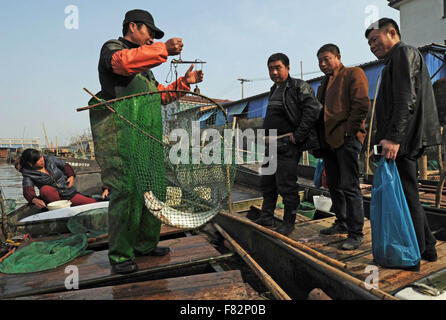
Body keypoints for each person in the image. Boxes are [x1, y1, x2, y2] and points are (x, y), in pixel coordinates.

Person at [89, 9, 204, 274]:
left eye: (155, 36)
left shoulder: (147, 71)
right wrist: (163, 48)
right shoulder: (113, 49)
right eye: (149, 32)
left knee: (154, 188)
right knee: (127, 191)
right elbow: (122, 64)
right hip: (123, 135)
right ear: (133, 26)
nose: (151, 37)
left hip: (149, 136)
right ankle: (120, 255)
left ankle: (145, 244)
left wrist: (185, 83)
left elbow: (160, 96)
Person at [365, 18, 441, 262]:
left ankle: (414, 253)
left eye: (375, 40)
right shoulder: (395, 60)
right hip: (403, 140)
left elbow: (405, 98)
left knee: (408, 197)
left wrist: (394, 138)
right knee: (409, 194)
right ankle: (427, 247)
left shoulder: (403, 53)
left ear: (392, 33)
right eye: (369, 43)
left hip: (403, 142)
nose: (372, 46)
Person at [254, 53, 322, 236]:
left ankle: (288, 222)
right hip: (271, 145)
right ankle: (266, 216)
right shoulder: (273, 89)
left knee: (286, 185)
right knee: (267, 183)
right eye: (271, 69)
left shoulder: (299, 87)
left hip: (286, 145)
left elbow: (313, 110)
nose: (274, 72)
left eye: (278, 68)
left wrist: (298, 136)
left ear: (288, 68)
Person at [315, 44, 370, 250]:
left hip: (347, 139)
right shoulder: (324, 83)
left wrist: (350, 131)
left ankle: (355, 232)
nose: (323, 64)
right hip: (329, 142)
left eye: (327, 59)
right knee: (334, 184)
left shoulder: (352, 73)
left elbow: (362, 104)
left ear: (338, 57)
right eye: (320, 61)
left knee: (350, 185)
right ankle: (341, 222)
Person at [18, 149, 97, 209]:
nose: (42, 160)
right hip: (53, 200)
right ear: (30, 164)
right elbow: (27, 190)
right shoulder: (28, 174)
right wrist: (34, 200)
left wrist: (71, 176)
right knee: (45, 189)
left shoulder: (49, 160)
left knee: (93, 203)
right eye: (38, 160)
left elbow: (65, 165)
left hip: (68, 193)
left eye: (41, 157)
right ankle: (59, 209)